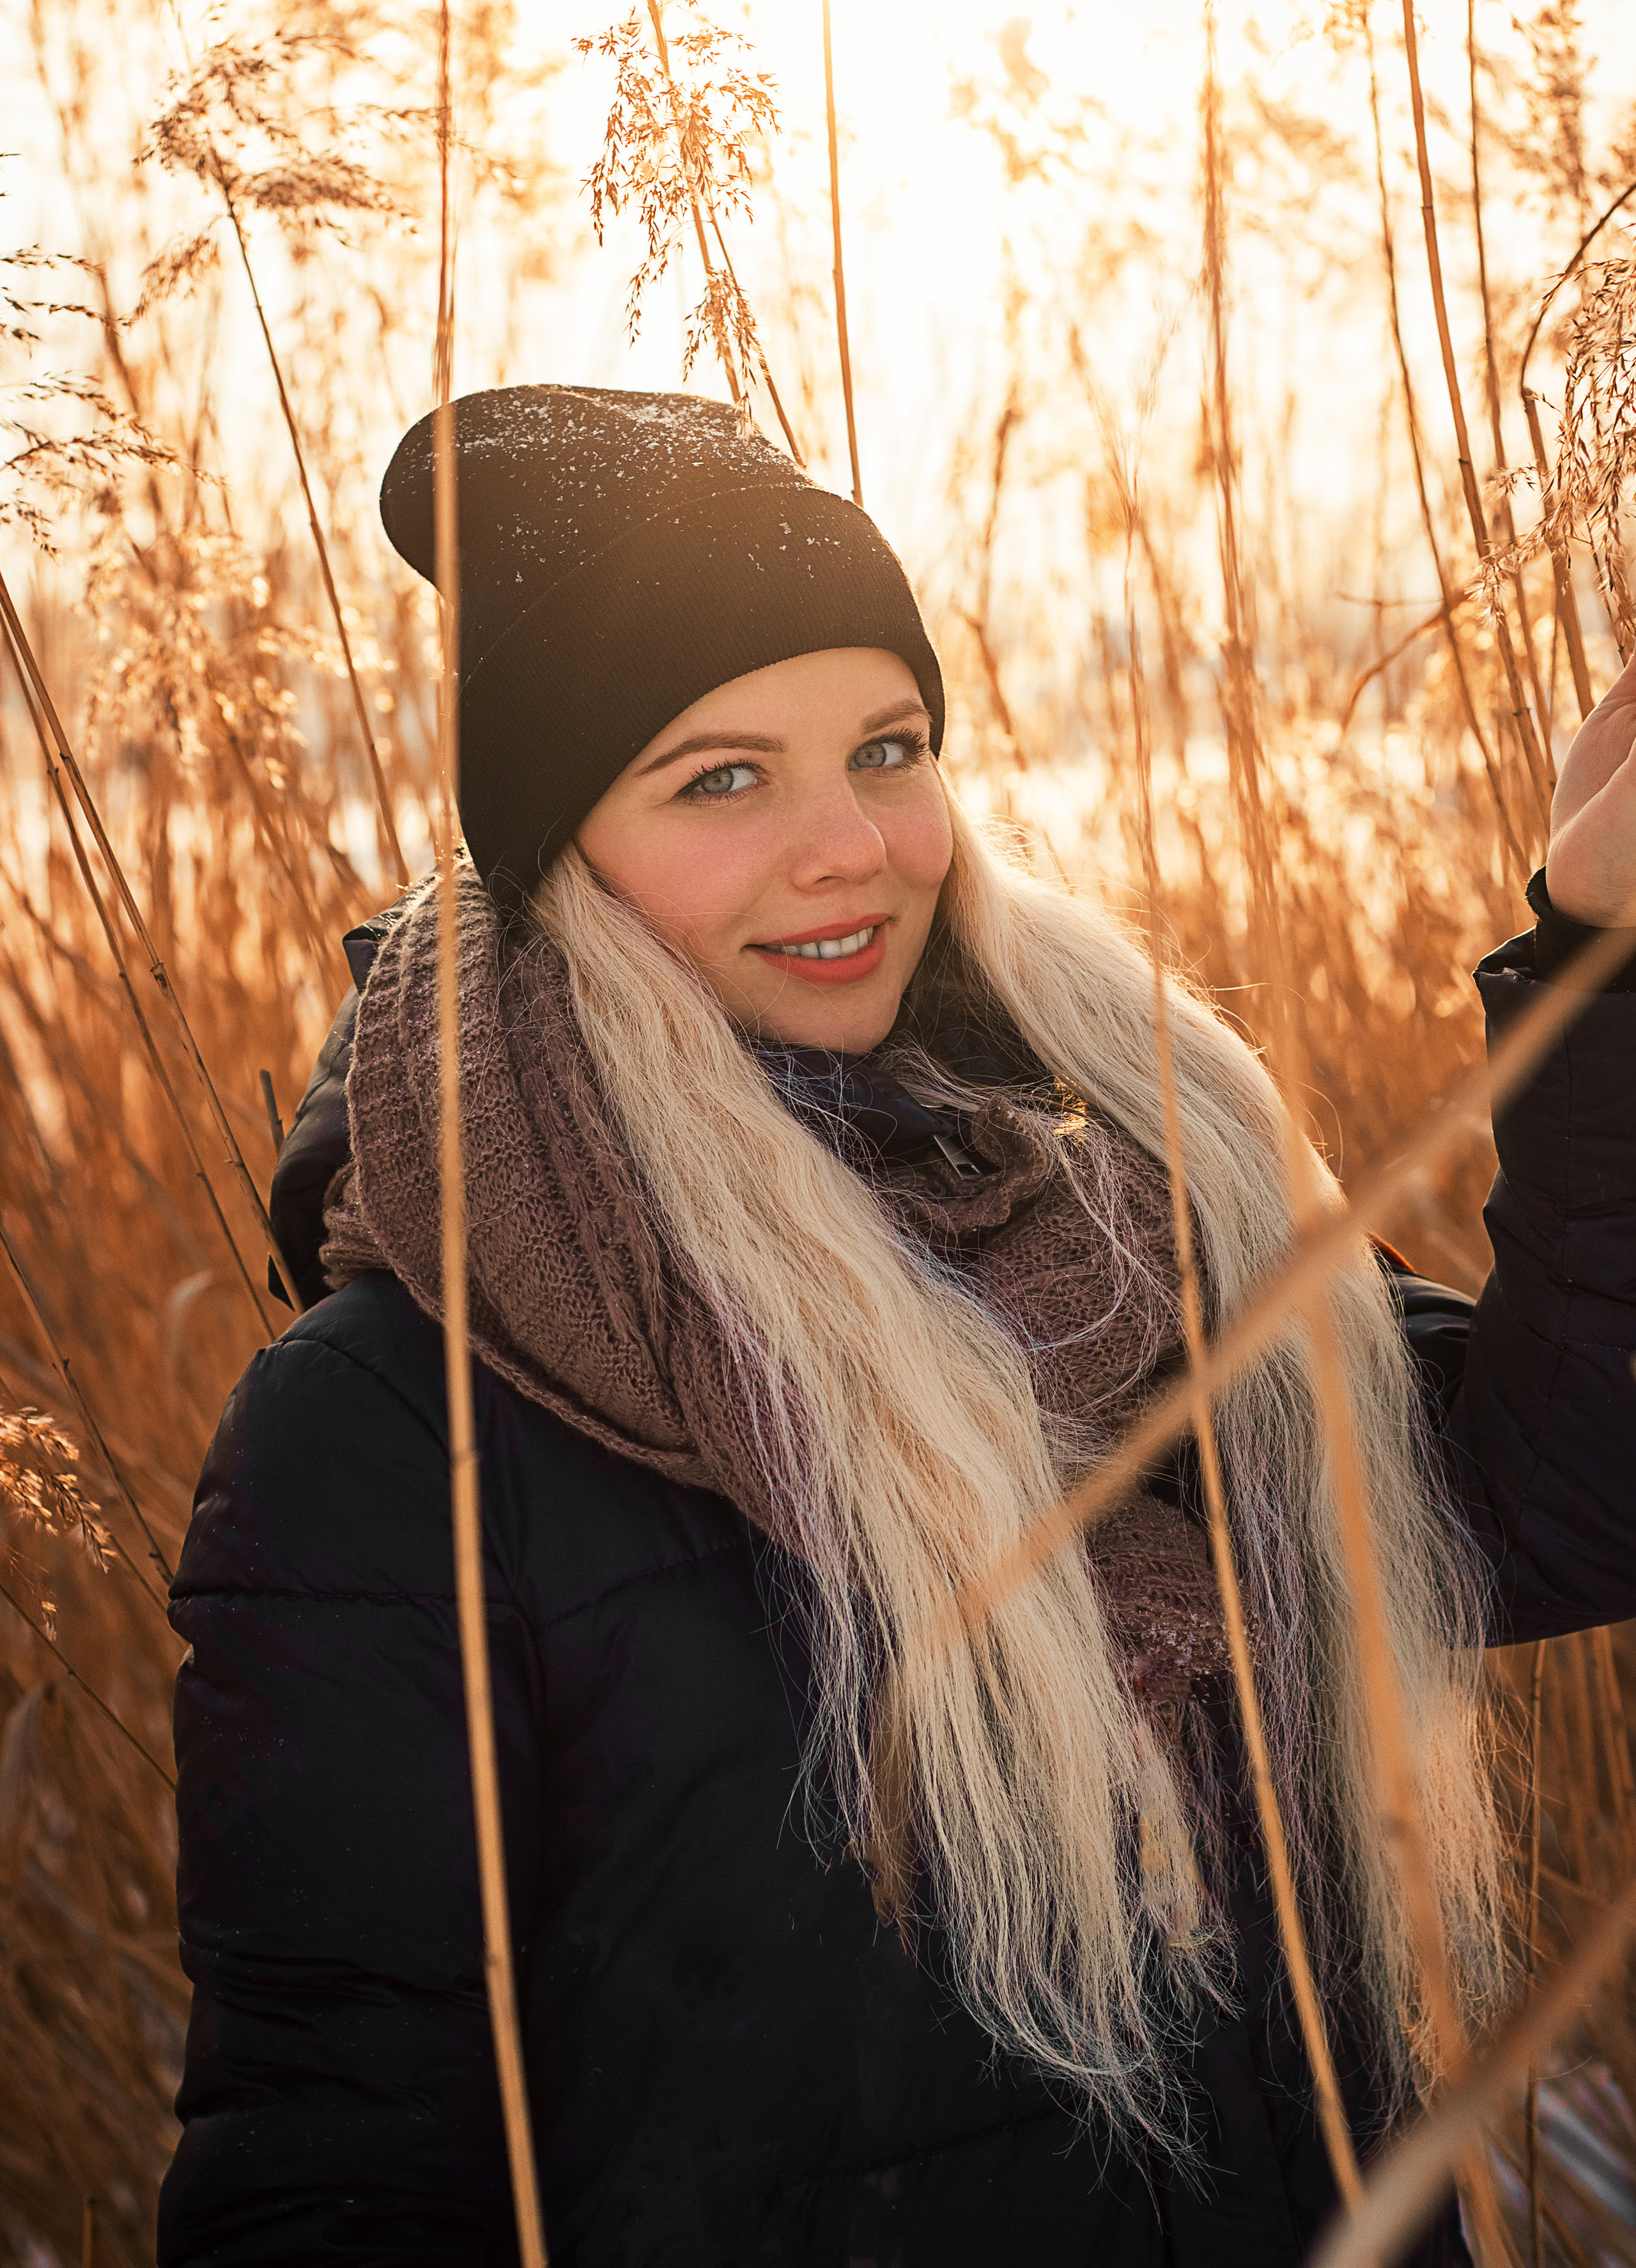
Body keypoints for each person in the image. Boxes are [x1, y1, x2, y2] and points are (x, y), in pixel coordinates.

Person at [158, 386, 1636, 2268]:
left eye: (889, 745)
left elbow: (1570, 1488)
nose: (852, 844)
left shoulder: (1120, 1210)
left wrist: (1596, 961)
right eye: (720, 777)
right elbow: (334, 2167)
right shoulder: (391, 1436)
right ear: (556, 850)